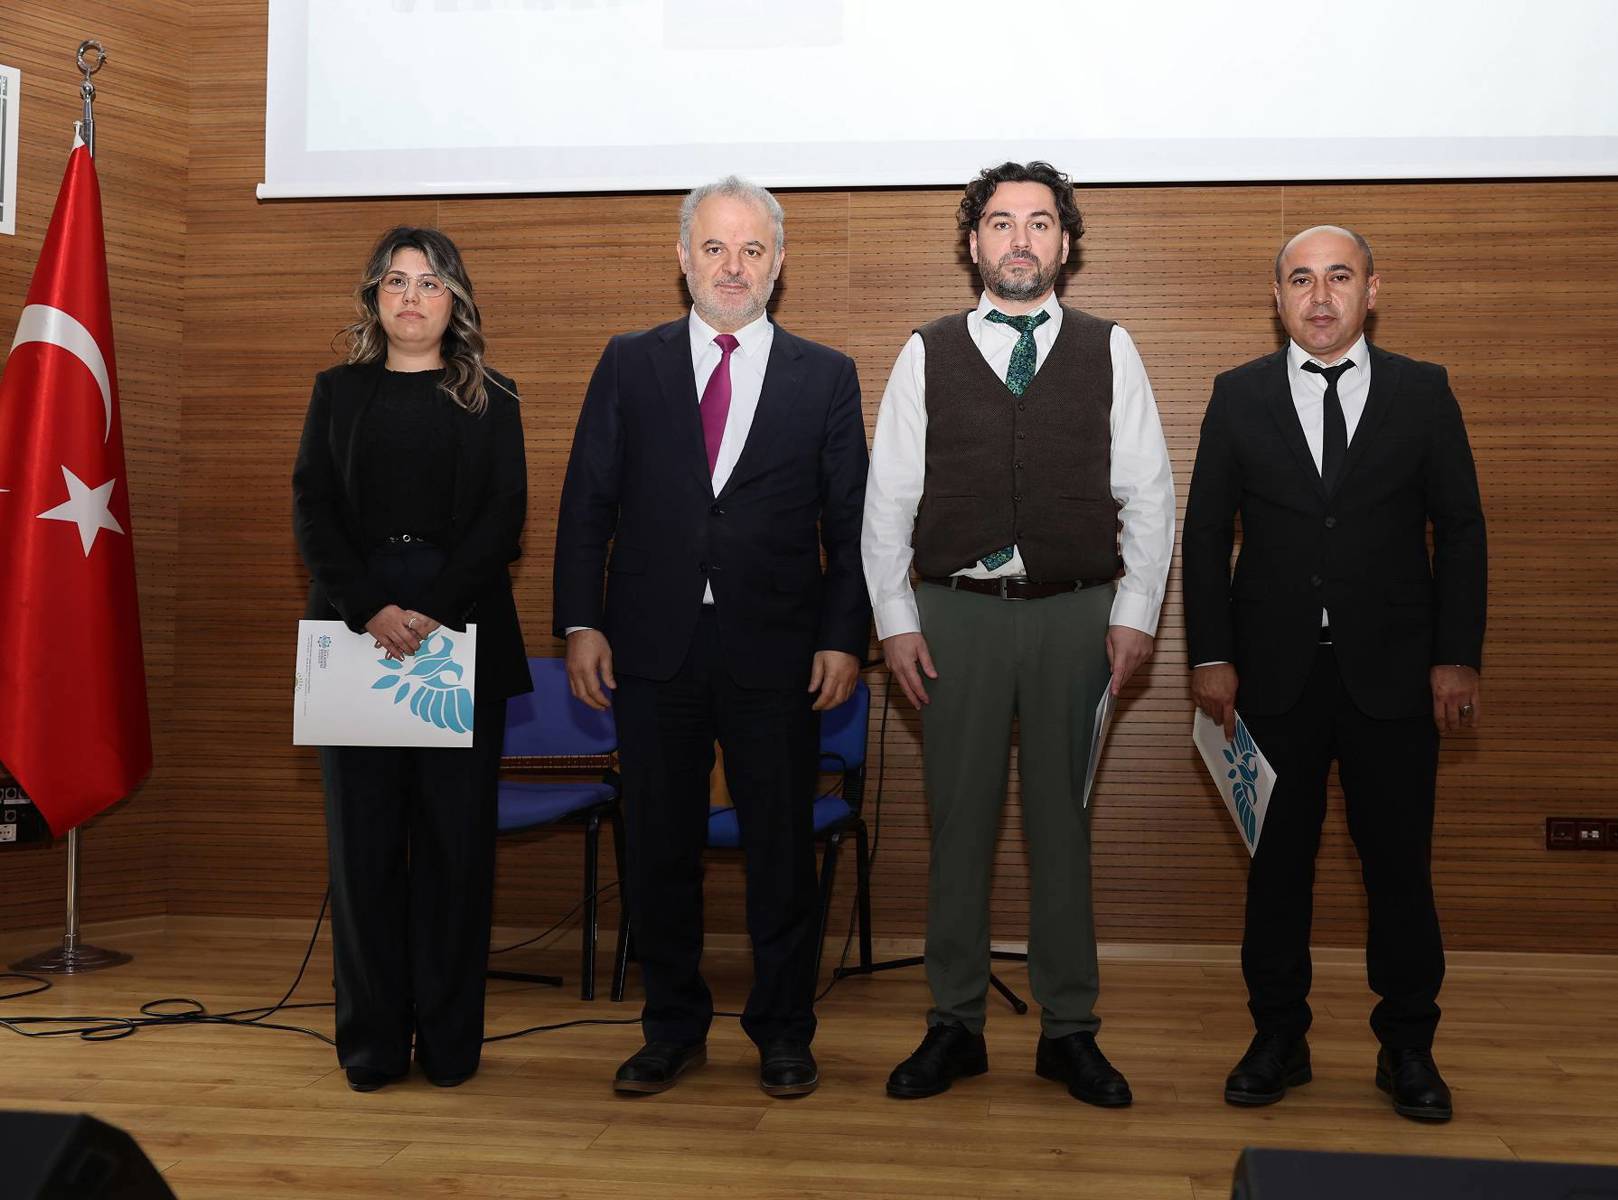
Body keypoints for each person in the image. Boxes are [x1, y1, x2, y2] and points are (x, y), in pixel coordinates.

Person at [862, 161, 1175, 1108]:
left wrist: (1135, 613)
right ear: (974, 243)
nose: (1021, 239)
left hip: (1077, 614)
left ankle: (1069, 1030)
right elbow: (889, 500)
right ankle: (953, 1024)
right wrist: (895, 621)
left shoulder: (1110, 348)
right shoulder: (926, 351)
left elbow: (1149, 493)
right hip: (954, 615)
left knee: (1061, 828)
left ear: (1065, 245)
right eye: (1001, 223)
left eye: (1040, 223)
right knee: (958, 825)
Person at [553, 176, 870, 1099]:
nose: (734, 267)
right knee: (658, 849)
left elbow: (851, 524)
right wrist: (581, 621)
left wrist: (843, 637)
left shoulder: (827, 374)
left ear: (779, 262)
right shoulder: (629, 362)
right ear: (683, 256)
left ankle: (784, 1031)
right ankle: (671, 1028)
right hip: (650, 648)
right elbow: (587, 503)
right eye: (716, 248)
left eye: (752, 250)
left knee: (781, 852)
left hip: (779, 651)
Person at [1184, 225, 1487, 1122]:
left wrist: (1456, 655)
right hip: (1269, 680)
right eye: (1301, 280)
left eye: (1339, 277)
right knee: (1277, 871)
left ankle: (1408, 1047)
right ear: (1277, 296)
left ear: (1371, 291)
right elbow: (1206, 534)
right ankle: (1278, 1037)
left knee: (1399, 870)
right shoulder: (1237, 394)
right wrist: (1211, 654)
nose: (1320, 297)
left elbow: (1461, 529)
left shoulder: (1422, 392)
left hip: (1395, 677)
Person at [293, 226, 530, 1093]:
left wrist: (432, 610)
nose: (412, 297)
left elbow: (504, 516)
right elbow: (313, 509)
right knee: (363, 859)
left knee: (454, 859)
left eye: (430, 283)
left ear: (454, 300)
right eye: (396, 281)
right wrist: (371, 608)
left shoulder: (492, 395)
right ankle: (372, 1046)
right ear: (374, 297)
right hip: (355, 636)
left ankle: (452, 1046)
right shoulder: (337, 392)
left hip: (457, 640)